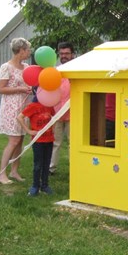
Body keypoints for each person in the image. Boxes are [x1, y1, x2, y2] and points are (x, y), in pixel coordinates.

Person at [0, 38, 33, 185]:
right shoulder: (7, 67)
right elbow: (0, 88)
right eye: (27, 50)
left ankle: (14, 170)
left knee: (20, 140)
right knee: (13, 140)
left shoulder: (27, 67)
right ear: (21, 50)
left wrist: (29, 89)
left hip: (24, 106)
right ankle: (1, 173)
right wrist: (19, 89)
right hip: (11, 107)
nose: (29, 53)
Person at [17, 96, 56, 196]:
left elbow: (54, 118)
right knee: (38, 164)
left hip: (49, 140)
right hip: (38, 141)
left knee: (46, 163)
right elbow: (20, 117)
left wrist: (52, 131)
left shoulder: (49, 106)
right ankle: (35, 186)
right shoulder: (33, 106)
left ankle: (45, 186)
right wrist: (29, 131)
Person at [49, 42, 75, 175]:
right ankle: (51, 168)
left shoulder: (77, 70)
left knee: (74, 143)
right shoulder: (55, 71)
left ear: (72, 54)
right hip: (57, 112)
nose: (64, 56)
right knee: (55, 142)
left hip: (73, 113)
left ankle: (74, 169)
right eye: (62, 54)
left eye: (67, 53)